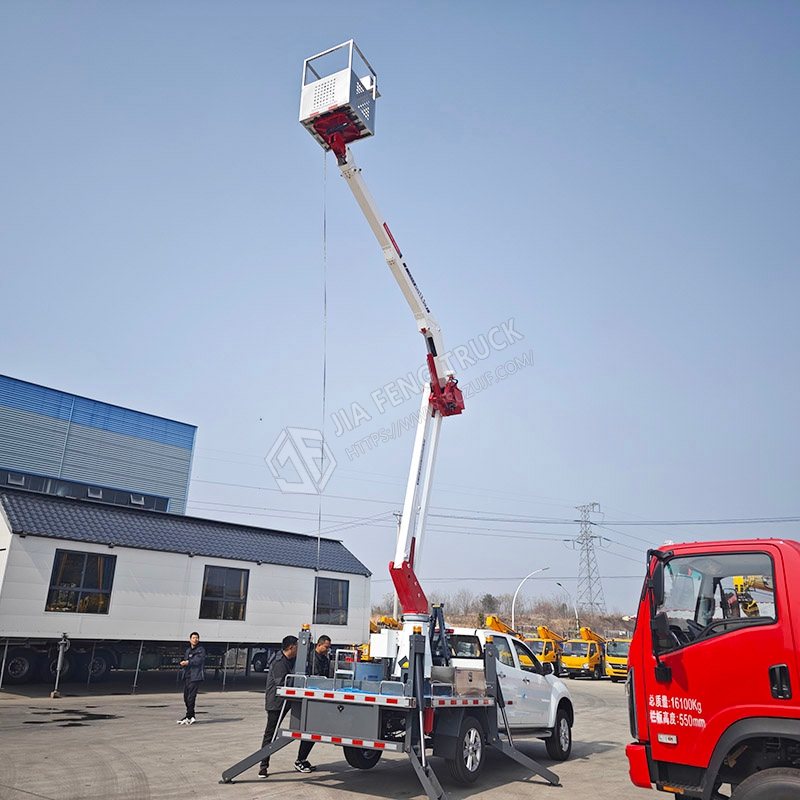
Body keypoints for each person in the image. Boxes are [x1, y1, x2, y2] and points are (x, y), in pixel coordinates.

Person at [259, 635, 299, 778]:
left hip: (287, 700)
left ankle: (301, 759)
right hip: (276, 702)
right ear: (291, 647)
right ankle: (263, 765)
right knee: (270, 733)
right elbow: (281, 684)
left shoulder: (289, 660)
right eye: (297, 646)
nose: (298, 649)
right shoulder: (279, 662)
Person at [177, 631, 206, 725]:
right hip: (187, 676)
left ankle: (189, 716)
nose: (195, 639)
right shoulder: (188, 650)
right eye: (193, 638)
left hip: (196, 677)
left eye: (197, 637)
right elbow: (186, 660)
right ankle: (191, 715)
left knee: (191, 697)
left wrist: (188, 662)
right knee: (186, 697)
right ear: (190, 639)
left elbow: (198, 660)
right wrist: (184, 663)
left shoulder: (200, 650)